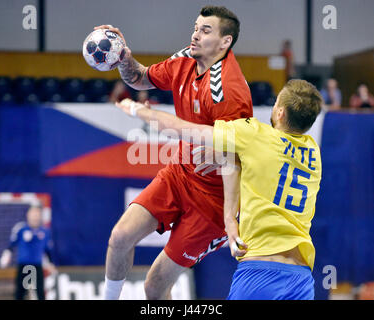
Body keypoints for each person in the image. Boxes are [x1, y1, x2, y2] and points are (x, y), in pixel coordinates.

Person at [95, 5, 253, 300]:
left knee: (154, 287)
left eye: (205, 31)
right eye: (195, 27)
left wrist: (227, 155)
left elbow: (245, 152)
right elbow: (141, 78)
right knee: (120, 237)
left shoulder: (227, 90)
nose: (195, 35)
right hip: (180, 175)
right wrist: (124, 59)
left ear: (225, 42)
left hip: (213, 205)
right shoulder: (186, 58)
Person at [116, 78, 323, 300]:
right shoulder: (313, 153)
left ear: (280, 112)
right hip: (300, 279)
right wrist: (228, 155)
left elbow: (183, 129)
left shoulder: (254, 135)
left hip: (260, 272)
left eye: (275, 103)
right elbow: (271, 163)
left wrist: (138, 111)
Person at [0, 205, 54, 300]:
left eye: (37, 214)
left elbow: (47, 251)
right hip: (25, 266)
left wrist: (50, 263)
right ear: (28, 215)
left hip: (37, 267)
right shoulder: (21, 229)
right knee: (21, 292)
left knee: (40, 292)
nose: (35, 217)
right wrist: (6, 256)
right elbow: (11, 245)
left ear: (40, 216)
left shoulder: (45, 232)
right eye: (33, 214)